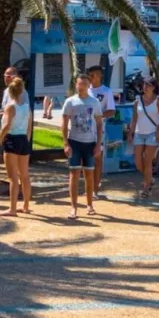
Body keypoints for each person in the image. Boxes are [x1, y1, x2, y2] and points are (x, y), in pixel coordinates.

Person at [62, 73, 103, 217]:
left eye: (85, 84)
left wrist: (98, 144)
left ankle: (90, 204)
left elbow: (99, 123)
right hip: (74, 142)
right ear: (76, 84)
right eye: (80, 84)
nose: (82, 87)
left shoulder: (94, 102)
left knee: (89, 174)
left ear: (89, 85)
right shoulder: (70, 102)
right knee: (74, 174)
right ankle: (73, 207)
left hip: (89, 143)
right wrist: (66, 143)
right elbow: (64, 122)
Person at [0, 77, 34, 217]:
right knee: (24, 175)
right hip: (23, 140)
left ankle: (12, 209)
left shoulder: (10, 107)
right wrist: (27, 139)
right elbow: (29, 127)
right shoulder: (26, 106)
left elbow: (6, 125)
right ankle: (25, 205)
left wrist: (0, 138)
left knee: (12, 177)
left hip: (12, 139)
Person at [127, 79, 159, 199]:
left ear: (154, 87)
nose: (145, 87)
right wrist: (131, 133)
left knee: (147, 160)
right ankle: (150, 179)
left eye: (148, 85)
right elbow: (134, 118)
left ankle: (146, 188)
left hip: (152, 133)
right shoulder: (138, 100)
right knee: (138, 162)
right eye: (144, 84)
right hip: (139, 132)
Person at [86, 65, 118, 197]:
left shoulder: (106, 91)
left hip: (99, 129)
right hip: (84, 129)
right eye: (90, 75)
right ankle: (88, 187)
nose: (91, 78)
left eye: (94, 75)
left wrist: (99, 116)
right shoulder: (85, 90)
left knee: (97, 159)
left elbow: (112, 111)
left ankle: (95, 189)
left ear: (100, 76)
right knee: (86, 160)